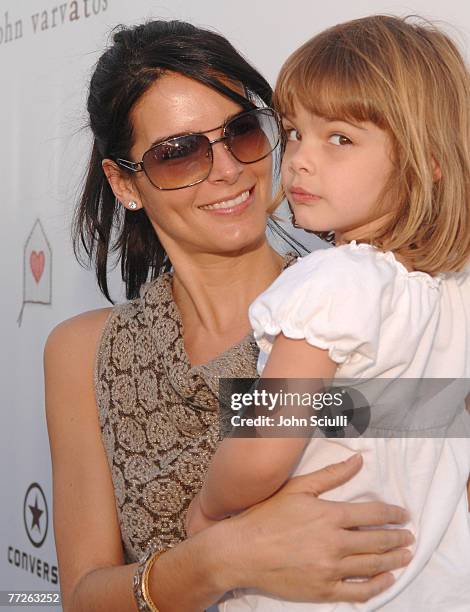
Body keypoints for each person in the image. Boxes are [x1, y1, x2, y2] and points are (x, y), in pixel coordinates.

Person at [44, 20, 415, 612]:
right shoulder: (83, 353)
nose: (226, 170)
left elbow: (440, 477)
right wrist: (220, 558)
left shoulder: (358, 306)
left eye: (241, 132)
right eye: (177, 153)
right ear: (125, 182)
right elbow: (83, 596)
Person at [186, 15, 470, 612]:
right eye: (292, 133)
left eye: (339, 138)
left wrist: (210, 511)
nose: (301, 160)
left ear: (428, 160)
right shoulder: (450, 290)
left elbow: (264, 446)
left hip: (316, 590)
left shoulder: (333, 281)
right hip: (430, 580)